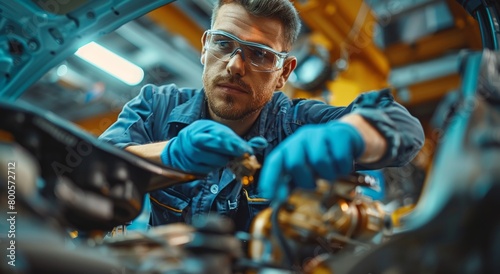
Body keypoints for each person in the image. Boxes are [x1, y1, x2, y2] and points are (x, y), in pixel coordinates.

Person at [99, 0, 425, 231]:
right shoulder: (157, 107)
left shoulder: (298, 123)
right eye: (224, 44)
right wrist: (169, 154)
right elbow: (89, 167)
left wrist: (355, 133)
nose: (235, 66)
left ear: (284, 73)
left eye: (260, 54)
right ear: (204, 48)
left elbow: (405, 129)